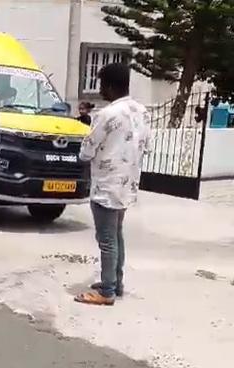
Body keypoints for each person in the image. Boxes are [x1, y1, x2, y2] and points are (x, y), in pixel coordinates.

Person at [74, 63, 150, 306]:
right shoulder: (141, 111)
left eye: (101, 85)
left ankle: (106, 291)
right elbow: (147, 146)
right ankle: (116, 283)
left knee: (106, 239)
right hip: (127, 184)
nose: (100, 90)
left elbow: (87, 150)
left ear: (109, 85)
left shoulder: (106, 114)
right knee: (116, 235)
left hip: (106, 186)